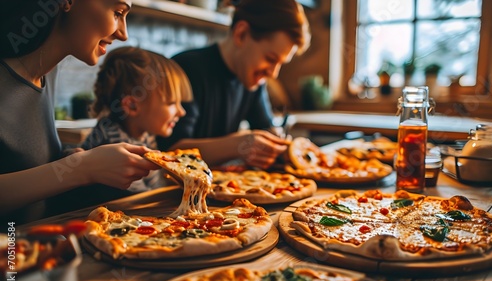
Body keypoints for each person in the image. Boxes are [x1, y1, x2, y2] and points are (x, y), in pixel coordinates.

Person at [0, 0, 160, 225]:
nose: (123, 34)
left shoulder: (48, 74)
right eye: (117, 13)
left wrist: (71, 159)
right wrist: (82, 168)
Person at [156, 0, 311, 170]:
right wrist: (239, 145)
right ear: (241, 33)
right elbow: (170, 151)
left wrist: (282, 146)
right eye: (270, 59)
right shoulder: (186, 68)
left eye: (281, 63)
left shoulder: (252, 80)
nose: (273, 73)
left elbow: (267, 130)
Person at [81, 46, 192, 192]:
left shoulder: (144, 135)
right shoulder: (115, 142)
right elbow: (136, 197)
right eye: (171, 103)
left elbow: (154, 185)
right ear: (132, 106)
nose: (181, 112)